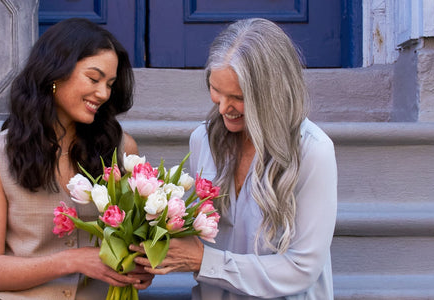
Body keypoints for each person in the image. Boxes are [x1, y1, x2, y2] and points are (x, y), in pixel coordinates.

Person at [132, 18, 337, 299]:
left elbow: (302, 268)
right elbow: (202, 237)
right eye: (216, 91)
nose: (224, 108)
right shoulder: (202, 140)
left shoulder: (313, 151)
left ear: (272, 94)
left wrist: (205, 262)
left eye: (238, 97)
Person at [0, 18, 153, 299]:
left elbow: (133, 245)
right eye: (93, 78)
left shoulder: (121, 151)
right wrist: (73, 260)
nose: (103, 93)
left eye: (110, 84)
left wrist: (140, 267)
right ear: (55, 73)